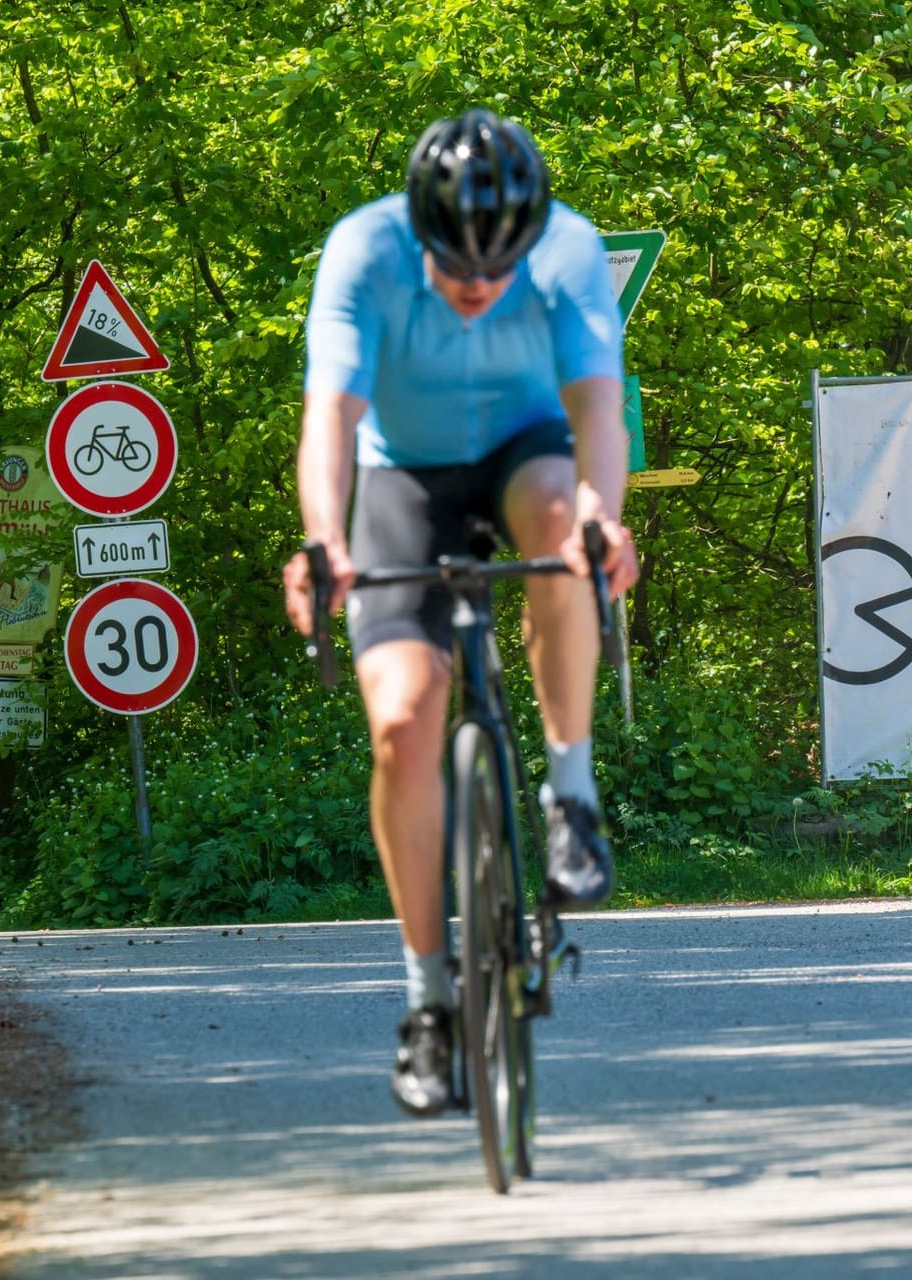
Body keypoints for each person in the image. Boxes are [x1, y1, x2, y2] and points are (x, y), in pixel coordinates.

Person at [282, 108, 639, 1117]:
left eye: (498, 267)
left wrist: (601, 523)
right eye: (455, 267)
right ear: (417, 232)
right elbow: (332, 419)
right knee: (402, 722)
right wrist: (326, 541)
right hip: (406, 478)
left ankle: (571, 793)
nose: (478, 287)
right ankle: (429, 1001)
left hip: (526, 452)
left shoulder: (567, 253)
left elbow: (597, 414)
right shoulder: (362, 253)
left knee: (566, 528)